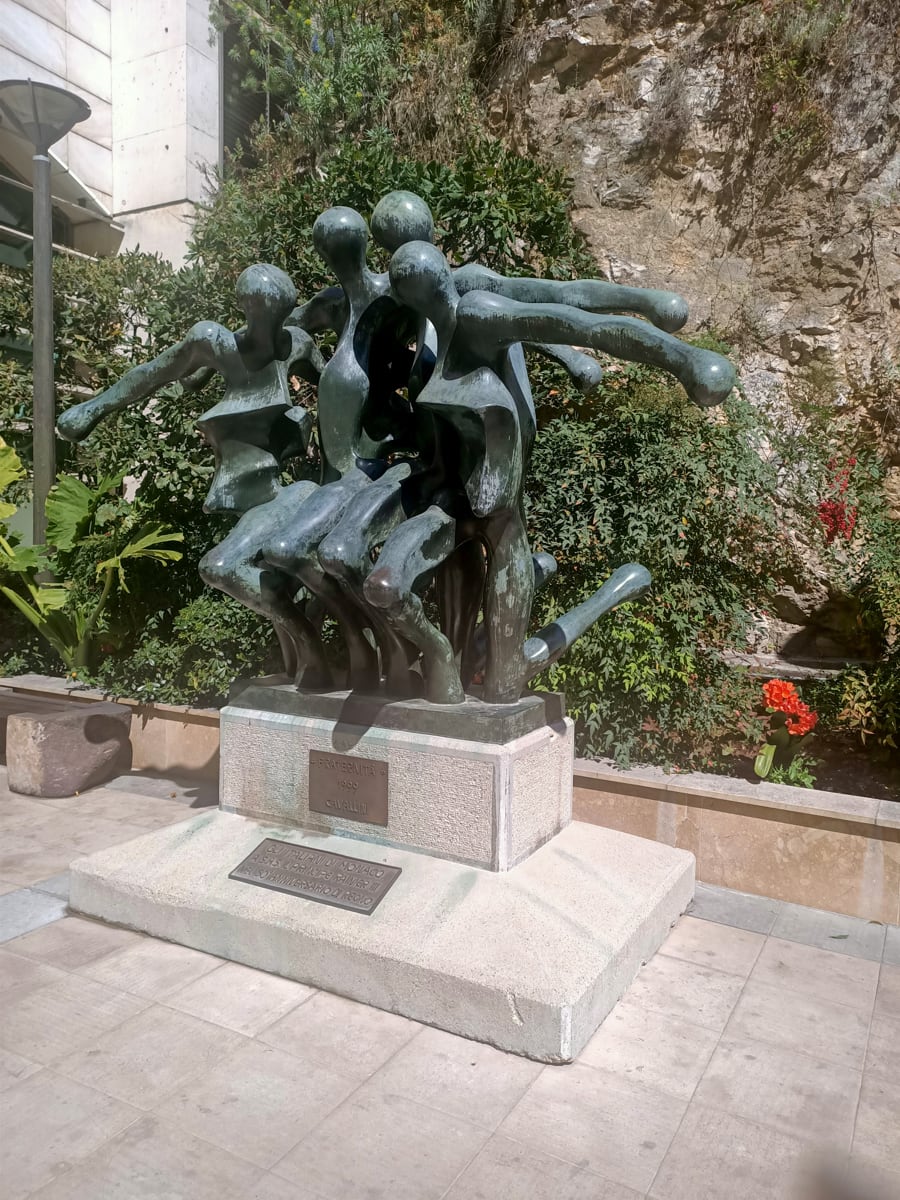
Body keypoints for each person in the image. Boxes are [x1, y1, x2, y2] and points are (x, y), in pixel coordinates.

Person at [363, 240, 736, 703]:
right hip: (455, 506)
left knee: (505, 686)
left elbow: (570, 315)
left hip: (502, 518)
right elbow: (562, 307)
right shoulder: (429, 339)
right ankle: (461, 649)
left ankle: (608, 594)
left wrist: (679, 357)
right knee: (449, 676)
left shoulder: (476, 311)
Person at [57, 264, 329, 681]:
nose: (272, 329)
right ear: (244, 308)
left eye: (279, 317)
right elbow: (150, 374)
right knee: (269, 579)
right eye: (262, 316)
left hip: (279, 492)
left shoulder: (296, 344)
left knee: (222, 568)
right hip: (243, 491)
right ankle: (305, 668)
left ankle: (311, 650)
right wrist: (93, 408)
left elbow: (337, 391)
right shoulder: (213, 342)